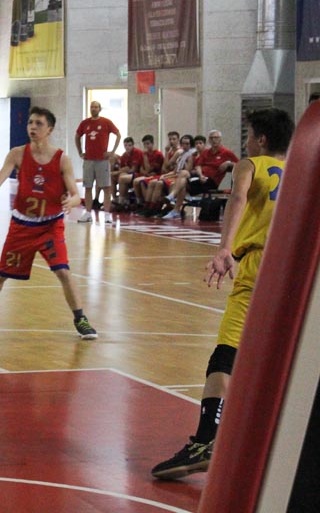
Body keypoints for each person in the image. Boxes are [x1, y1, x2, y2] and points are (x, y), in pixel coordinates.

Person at [151, 108, 294, 480]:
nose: (245, 142)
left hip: (258, 267)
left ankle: (205, 441)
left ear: (261, 139)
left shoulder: (250, 164)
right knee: (282, 359)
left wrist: (225, 248)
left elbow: (238, 199)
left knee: (225, 356)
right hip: (291, 270)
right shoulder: (300, 169)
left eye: (248, 135)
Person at [0, 107, 98, 340]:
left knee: (63, 271)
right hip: (22, 225)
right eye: (30, 122)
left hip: (50, 225)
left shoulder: (62, 159)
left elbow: (76, 195)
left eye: (39, 123)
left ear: (50, 129)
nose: (32, 127)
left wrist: (71, 201)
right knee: (2, 273)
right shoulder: (17, 154)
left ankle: (80, 318)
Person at [75, 101, 120, 224]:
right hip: (89, 160)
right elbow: (77, 136)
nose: (93, 109)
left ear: (100, 109)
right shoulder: (85, 123)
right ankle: (88, 213)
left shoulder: (106, 122)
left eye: (96, 107)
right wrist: (80, 152)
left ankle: (107, 215)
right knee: (88, 187)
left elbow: (118, 135)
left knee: (106, 187)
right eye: (92, 107)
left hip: (102, 161)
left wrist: (112, 152)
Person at [112, 137, 143, 211]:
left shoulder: (137, 152)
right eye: (125, 145)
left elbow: (133, 169)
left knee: (122, 178)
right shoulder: (124, 155)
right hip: (128, 174)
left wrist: (121, 171)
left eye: (129, 145)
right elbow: (122, 168)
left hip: (138, 174)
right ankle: (115, 199)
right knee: (112, 177)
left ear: (133, 145)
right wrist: (121, 171)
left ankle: (122, 201)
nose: (127, 147)